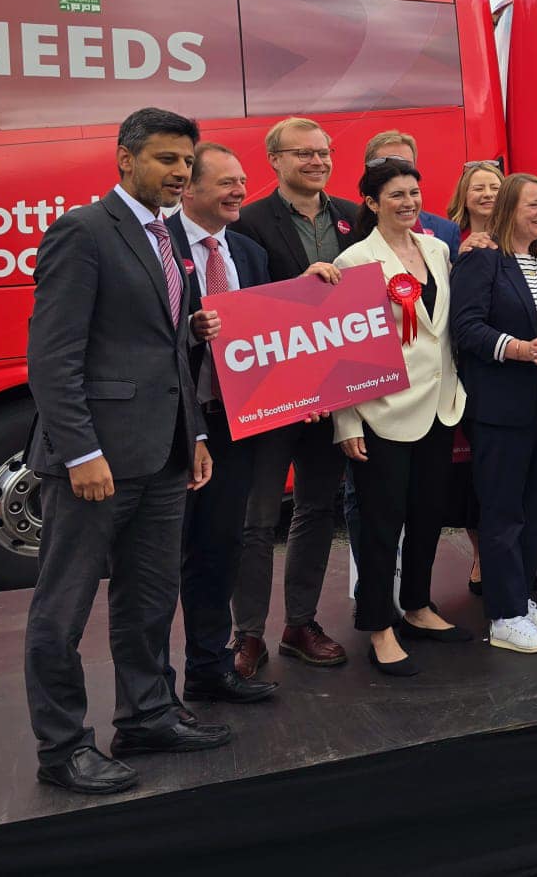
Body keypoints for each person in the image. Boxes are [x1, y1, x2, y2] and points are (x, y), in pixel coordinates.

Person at [24, 107, 225, 795]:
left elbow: (165, 346)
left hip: (164, 452)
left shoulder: (169, 235)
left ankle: (145, 714)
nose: (179, 173)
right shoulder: (81, 232)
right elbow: (53, 357)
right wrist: (80, 452)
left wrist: (193, 432)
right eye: (166, 159)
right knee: (63, 609)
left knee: (148, 598)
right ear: (124, 158)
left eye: (185, 162)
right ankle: (61, 747)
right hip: (96, 464)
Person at [332, 159, 471, 676]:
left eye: (414, 192)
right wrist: (346, 423)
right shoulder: (354, 261)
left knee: (429, 516)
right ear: (371, 202)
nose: (409, 202)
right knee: (380, 525)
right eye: (396, 195)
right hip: (380, 412)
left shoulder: (437, 248)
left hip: (438, 408)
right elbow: (344, 350)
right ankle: (379, 625)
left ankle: (417, 606)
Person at [231, 116, 357, 675]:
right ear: (274, 161)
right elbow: (244, 307)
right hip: (273, 396)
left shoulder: (355, 217)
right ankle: (247, 635)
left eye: (323, 152)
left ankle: (300, 623)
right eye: (302, 153)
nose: (316, 161)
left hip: (336, 394)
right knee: (257, 518)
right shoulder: (250, 222)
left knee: (316, 508)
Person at [163, 143, 282, 705]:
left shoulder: (248, 253)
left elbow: (270, 338)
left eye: (242, 181)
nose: (239, 191)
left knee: (219, 546)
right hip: (176, 428)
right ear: (188, 189)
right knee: (164, 555)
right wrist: (190, 328)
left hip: (234, 424)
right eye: (226, 183)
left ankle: (208, 668)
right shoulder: (159, 248)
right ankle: (150, 688)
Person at [449, 175, 537, 653]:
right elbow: (465, 330)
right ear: (507, 208)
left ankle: (521, 600)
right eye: (532, 205)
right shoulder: (481, 260)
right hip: (502, 411)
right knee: (503, 513)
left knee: (536, 510)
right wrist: (518, 349)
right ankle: (503, 616)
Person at [443, 160, 504, 593]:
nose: (486, 194)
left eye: (494, 186)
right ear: (463, 195)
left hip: (509, 370)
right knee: (470, 475)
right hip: (463, 369)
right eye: (477, 187)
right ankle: (482, 559)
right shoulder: (448, 240)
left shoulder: (520, 235)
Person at [362, 129, 462, 259]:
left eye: (405, 165)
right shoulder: (349, 227)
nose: (398, 172)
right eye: (388, 165)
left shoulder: (445, 232)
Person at [448, 160, 503, 255]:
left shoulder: (517, 238)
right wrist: (459, 256)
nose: (488, 194)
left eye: (495, 188)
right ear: (463, 198)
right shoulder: (448, 241)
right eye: (478, 189)